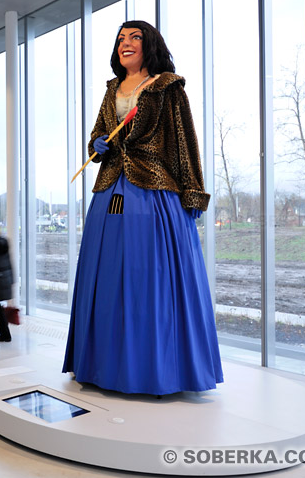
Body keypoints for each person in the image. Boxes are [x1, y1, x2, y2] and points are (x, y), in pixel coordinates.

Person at [62, 20, 224, 396]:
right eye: (120, 39)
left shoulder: (168, 87)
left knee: (149, 279)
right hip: (109, 191)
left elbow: (185, 142)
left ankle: (155, 370)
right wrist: (96, 144)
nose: (125, 43)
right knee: (103, 279)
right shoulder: (111, 91)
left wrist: (193, 194)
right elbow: (97, 134)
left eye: (134, 37)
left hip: (154, 193)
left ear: (149, 45)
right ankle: (101, 365)